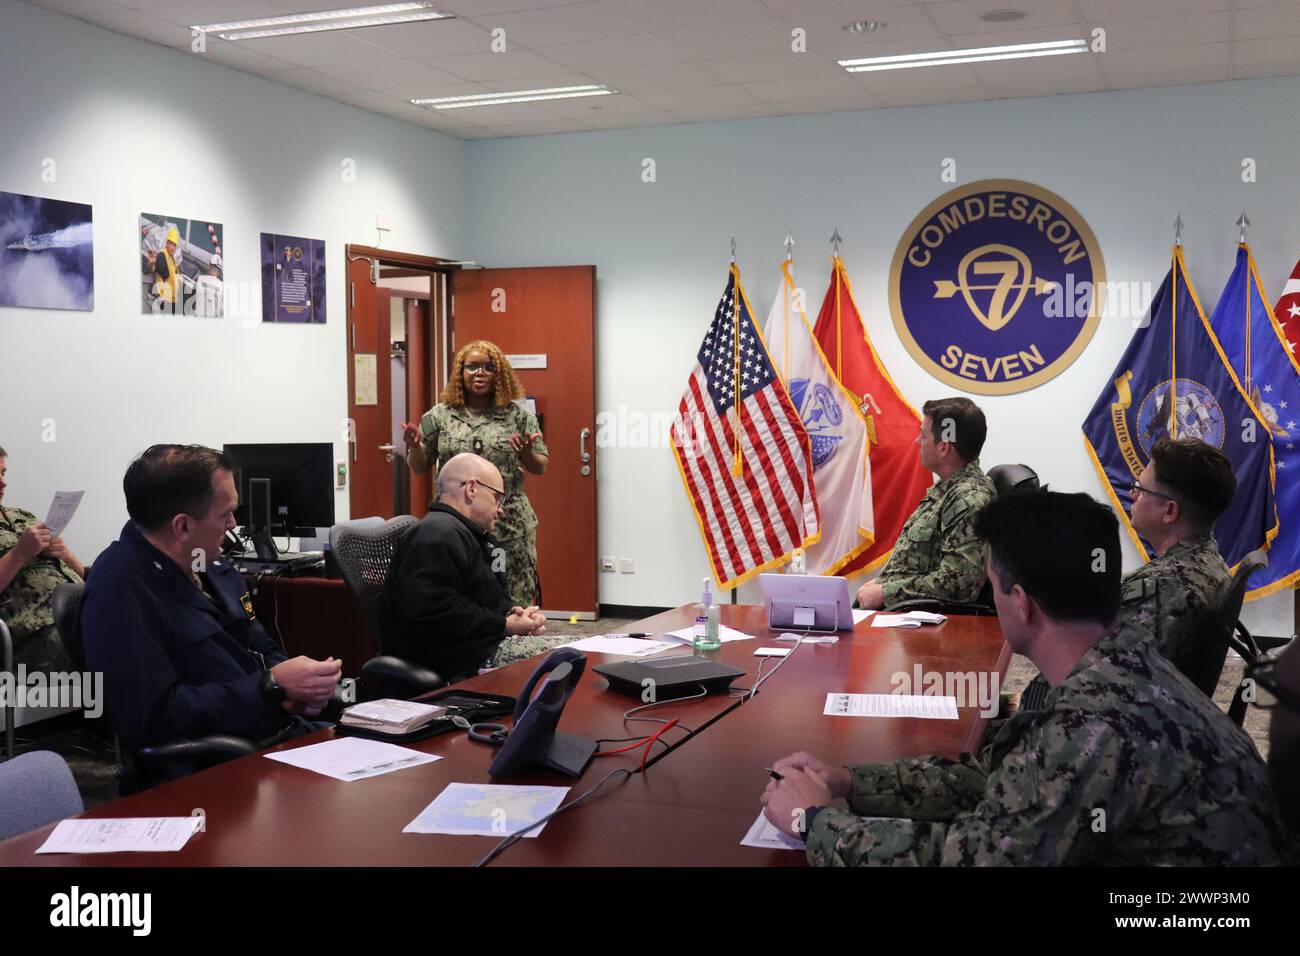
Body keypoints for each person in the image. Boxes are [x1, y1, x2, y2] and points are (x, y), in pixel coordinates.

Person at [762, 488, 1287, 865]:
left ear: (1021, 602)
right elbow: (991, 779)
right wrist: (848, 781)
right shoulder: (1122, 665)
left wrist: (815, 823)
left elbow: (981, 857)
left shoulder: (1095, 717)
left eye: (992, 584)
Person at [81, 445, 342, 765]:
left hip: (280, 734)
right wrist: (271, 688)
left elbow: (257, 638)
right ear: (183, 526)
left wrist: (298, 689)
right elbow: (153, 717)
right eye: (225, 514)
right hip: (221, 765)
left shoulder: (217, 570)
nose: (234, 524)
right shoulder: (120, 588)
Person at [381, 453, 565, 682]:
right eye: (497, 497)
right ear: (471, 488)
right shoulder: (435, 535)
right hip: (461, 661)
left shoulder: (467, 535)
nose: (501, 510)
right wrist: (504, 625)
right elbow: (433, 611)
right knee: (575, 657)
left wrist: (513, 618)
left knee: (586, 651)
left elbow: (474, 602)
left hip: (480, 647)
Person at [402, 340, 547, 608]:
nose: (479, 373)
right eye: (472, 367)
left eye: (487, 367)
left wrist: (525, 452)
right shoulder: (439, 416)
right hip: (456, 526)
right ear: (461, 372)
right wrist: (413, 447)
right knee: (465, 593)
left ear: (499, 374)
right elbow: (420, 466)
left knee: (513, 597)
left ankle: (522, 648)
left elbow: (540, 466)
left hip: (508, 526)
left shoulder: (518, 416)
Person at [854, 397, 994, 610]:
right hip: (901, 616)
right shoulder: (948, 489)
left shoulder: (969, 498)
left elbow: (959, 583)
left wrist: (887, 592)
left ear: (944, 447)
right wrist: (885, 584)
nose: (917, 441)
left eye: (923, 435)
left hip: (923, 626)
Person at [1123, 436, 1234, 674]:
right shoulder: (1209, 560)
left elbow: (1100, 679)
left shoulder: (1158, 589)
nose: (1132, 494)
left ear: (1170, 510)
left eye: (1140, 489)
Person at [0, 445, 84, 672]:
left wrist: (66, 554)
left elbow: (83, 575)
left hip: (83, 609)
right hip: (39, 630)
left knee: (149, 623)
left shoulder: (23, 516)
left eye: (3, 473)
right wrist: (20, 553)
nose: (3, 482)